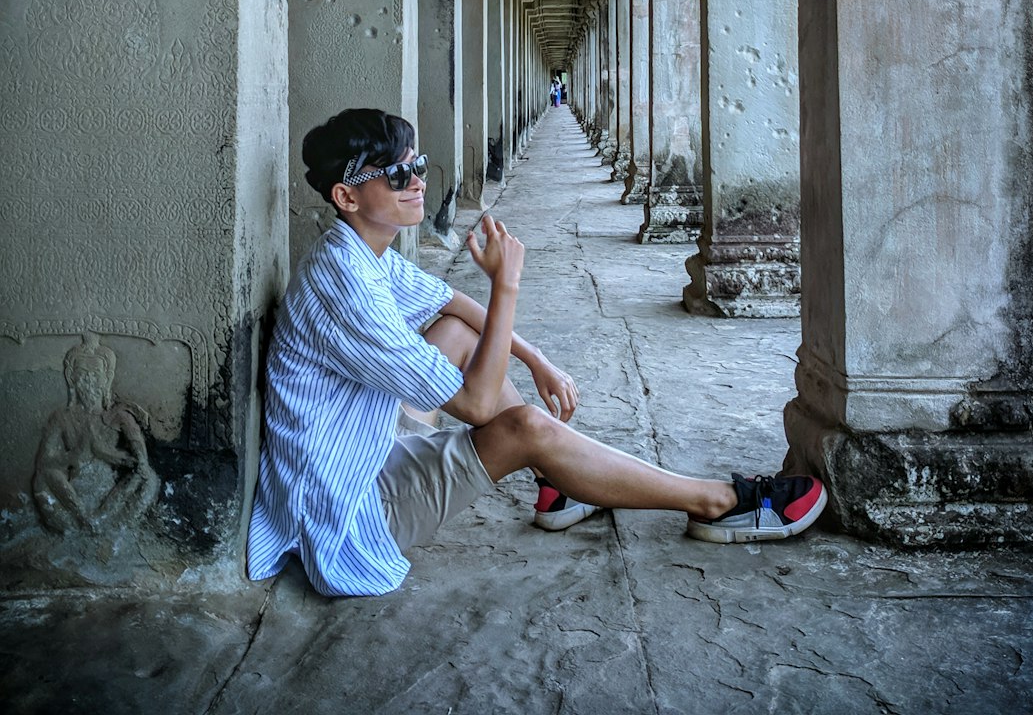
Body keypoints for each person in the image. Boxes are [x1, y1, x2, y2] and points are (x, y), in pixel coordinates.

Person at [247, 107, 826, 597]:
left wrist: (536, 359)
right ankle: (717, 501)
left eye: (417, 166)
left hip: (361, 452)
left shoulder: (359, 251)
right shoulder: (342, 280)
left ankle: (561, 482)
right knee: (525, 427)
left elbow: (449, 301)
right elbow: (476, 405)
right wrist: (506, 285)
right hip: (345, 512)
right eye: (398, 174)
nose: (418, 182)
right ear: (347, 195)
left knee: (456, 334)